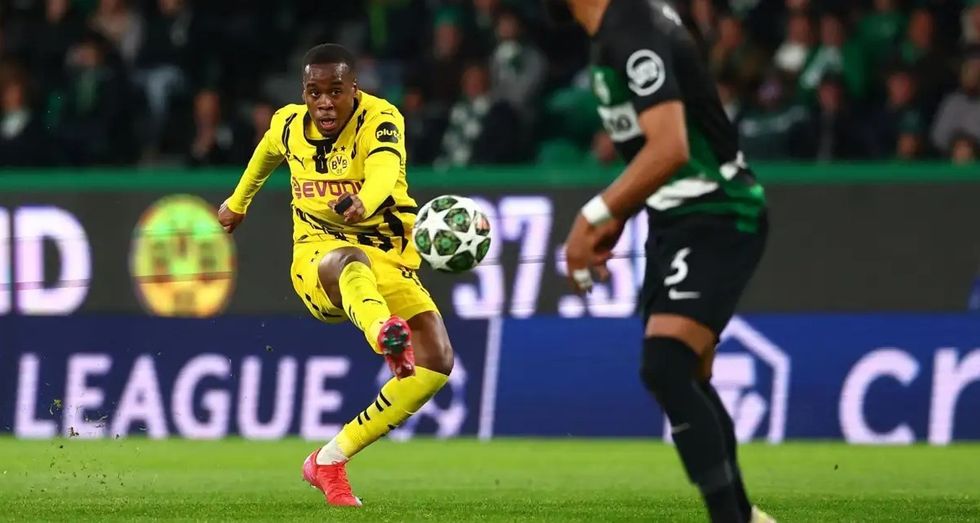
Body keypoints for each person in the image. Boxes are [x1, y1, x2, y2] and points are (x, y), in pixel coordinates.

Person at [549, 1, 773, 522]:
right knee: (685, 372)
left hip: (717, 210)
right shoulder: (619, 30)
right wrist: (621, 215)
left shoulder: (632, 28)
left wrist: (593, 216)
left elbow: (671, 147)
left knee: (667, 365)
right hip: (675, 218)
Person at [217, 44, 453, 508]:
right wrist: (237, 203)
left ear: (354, 90)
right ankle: (384, 334)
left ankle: (329, 459)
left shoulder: (380, 119)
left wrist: (364, 200)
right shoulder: (289, 124)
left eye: (335, 91)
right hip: (318, 258)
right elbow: (266, 152)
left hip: (388, 258)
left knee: (436, 363)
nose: (324, 102)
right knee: (348, 260)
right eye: (314, 92)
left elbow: (384, 170)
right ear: (304, 93)